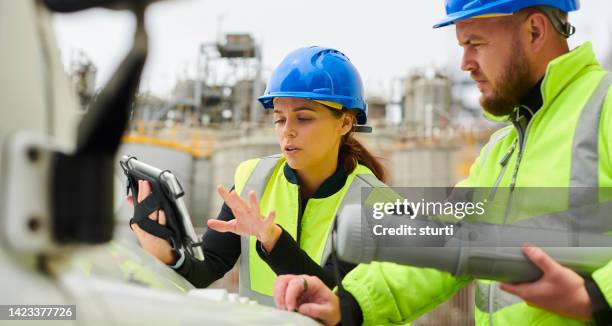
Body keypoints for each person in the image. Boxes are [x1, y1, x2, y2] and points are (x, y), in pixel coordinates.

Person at [273, 1, 612, 325]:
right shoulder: (501, 151)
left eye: (475, 43)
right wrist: (348, 302)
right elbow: (443, 240)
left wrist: (596, 298)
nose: (465, 63)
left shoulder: (604, 107)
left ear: (535, 31)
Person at [128, 46, 391, 306]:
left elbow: (335, 301)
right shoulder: (252, 178)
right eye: (279, 119)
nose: (287, 131)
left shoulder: (374, 202)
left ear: (344, 123)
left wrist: (273, 240)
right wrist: (169, 256)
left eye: (303, 118)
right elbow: (206, 268)